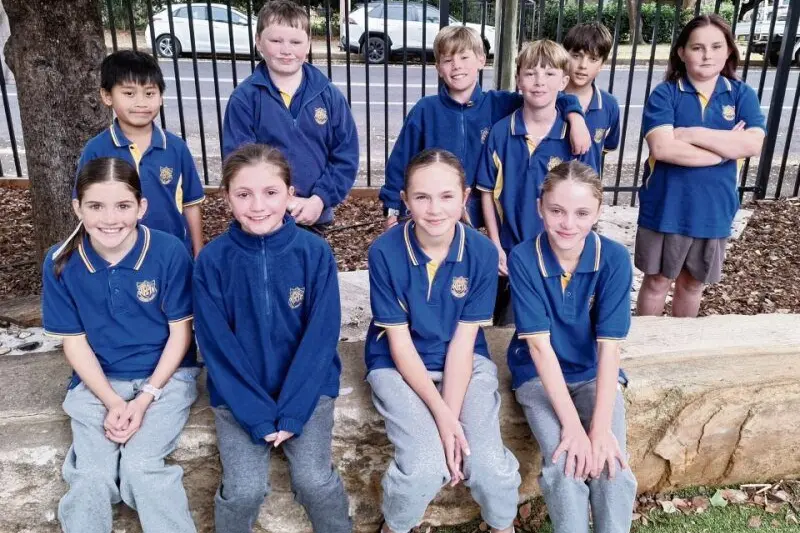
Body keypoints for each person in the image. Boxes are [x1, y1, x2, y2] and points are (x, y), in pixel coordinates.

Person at [193, 144, 351, 533]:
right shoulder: (212, 262)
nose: (257, 205)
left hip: (307, 391)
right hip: (239, 397)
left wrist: (294, 411)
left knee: (313, 481)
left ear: (290, 194)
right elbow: (217, 349)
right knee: (244, 490)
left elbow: (320, 339)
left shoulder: (314, 254)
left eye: (270, 192)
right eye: (243, 194)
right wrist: (257, 415)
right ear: (227, 197)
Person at [366, 148, 521, 533]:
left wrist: (451, 421)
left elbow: (463, 344)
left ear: (465, 197)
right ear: (405, 200)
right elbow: (399, 346)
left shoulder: (482, 252)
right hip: (397, 365)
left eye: (447, 196)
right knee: (423, 464)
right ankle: (396, 525)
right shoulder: (384, 252)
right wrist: (443, 419)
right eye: (421, 197)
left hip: (463, 360)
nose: (435, 209)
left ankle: (502, 524)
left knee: (485, 462)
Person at [42, 157, 199, 533]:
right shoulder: (61, 261)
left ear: (141, 207)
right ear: (77, 207)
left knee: (140, 466)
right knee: (92, 474)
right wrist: (113, 402)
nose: (109, 218)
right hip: (97, 382)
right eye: (95, 206)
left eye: (123, 206)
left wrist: (144, 398)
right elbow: (75, 343)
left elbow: (181, 334)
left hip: (166, 377)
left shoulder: (168, 252)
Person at [507, 160, 637, 533]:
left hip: (594, 373)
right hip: (538, 375)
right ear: (540, 208)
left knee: (611, 463)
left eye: (582, 213)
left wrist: (597, 430)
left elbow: (610, 348)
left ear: (598, 212)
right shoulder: (523, 257)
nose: (568, 223)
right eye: (557, 211)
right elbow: (538, 348)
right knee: (566, 466)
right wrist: (572, 429)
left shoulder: (612, 258)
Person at [380, 25, 590, 230]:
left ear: (481, 60)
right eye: (447, 60)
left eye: (464, 57)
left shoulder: (500, 104)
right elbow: (400, 162)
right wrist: (393, 209)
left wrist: (575, 116)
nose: (456, 65)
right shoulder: (426, 110)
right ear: (438, 68)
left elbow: (547, 97)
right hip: (437, 212)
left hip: (484, 219)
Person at [636, 14, 765, 317]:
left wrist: (693, 134)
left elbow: (752, 144)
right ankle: (647, 352)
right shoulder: (665, 94)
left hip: (713, 209)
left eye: (716, 46)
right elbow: (663, 147)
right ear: (682, 52)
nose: (707, 54)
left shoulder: (741, 94)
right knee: (657, 281)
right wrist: (723, 149)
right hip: (666, 207)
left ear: (729, 51)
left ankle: (679, 350)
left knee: (692, 284)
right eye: (697, 47)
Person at [476, 39, 593, 325]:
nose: (539, 82)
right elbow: (487, 192)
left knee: (563, 327)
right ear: (518, 79)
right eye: (530, 73)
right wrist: (495, 246)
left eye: (550, 74)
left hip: (562, 254)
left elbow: (590, 199)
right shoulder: (502, 132)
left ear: (564, 80)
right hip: (512, 252)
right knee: (509, 329)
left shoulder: (575, 137)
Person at [222, 0, 359, 232]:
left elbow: (345, 155)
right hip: (262, 216)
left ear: (307, 46)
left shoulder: (329, 96)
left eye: (295, 42)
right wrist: (278, 201)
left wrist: (320, 199)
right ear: (258, 42)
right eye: (276, 41)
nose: (286, 50)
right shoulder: (244, 99)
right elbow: (239, 162)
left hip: (314, 214)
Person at [77, 50, 205, 257]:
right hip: (118, 255)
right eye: (129, 93)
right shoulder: (96, 150)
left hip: (172, 254)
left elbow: (191, 205)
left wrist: (198, 253)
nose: (141, 103)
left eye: (149, 93)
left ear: (161, 97)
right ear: (107, 96)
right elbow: (87, 206)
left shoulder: (175, 148)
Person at [562, 22, 621, 174]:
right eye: (576, 56)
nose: (583, 65)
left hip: (588, 193)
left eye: (593, 59)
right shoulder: (548, 98)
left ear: (602, 64)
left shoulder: (609, 105)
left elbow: (606, 147)